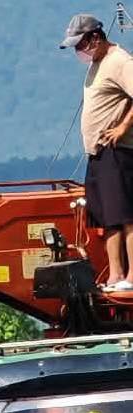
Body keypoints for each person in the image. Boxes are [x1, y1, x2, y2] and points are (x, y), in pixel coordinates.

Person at [63, 14, 133, 290]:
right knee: (109, 218)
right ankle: (115, 274)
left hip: (118, 150)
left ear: (95, 37)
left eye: (81, 44)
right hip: (98, 153)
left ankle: (131, 277)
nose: (79, 51)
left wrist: (122, 127)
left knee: (127, 216)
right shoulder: (97, 64)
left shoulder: (119, 61)